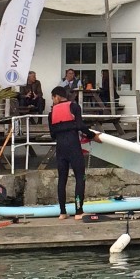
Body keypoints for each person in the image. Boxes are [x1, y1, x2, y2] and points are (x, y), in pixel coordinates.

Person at [48, 86, 95, 219]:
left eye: (53, 98)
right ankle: (78, 212)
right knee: (80, 177)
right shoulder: (74, 107)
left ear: (57, 96)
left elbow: (52, 135)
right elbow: (80, 126)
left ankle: (62, 212)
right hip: (73, 146)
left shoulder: (51, 113)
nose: (53, 101)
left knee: (62, 179)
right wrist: (91, 135)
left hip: (60, 148)